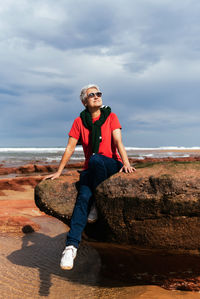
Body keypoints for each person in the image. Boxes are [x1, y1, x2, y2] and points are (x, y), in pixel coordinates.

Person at [43, 84, 136, 270]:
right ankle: (70, 248)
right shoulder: (79, 122)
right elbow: (70, 148)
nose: (96, 97)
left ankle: (95, 202)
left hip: (110, 164)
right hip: (91, 169)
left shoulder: (111, 116)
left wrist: (126, 163)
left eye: (98, 94)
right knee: (83, 198)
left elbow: (118, 141)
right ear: (84, 101)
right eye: (91, 95)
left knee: (95, 160)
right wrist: (59, 171)